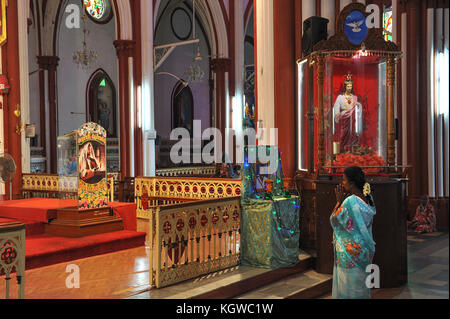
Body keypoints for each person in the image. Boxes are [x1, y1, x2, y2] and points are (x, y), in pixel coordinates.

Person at [330, 166, 376, 299]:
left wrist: (339, 202)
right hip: (364, 250)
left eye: (344, 180)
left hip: (349, 253)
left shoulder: (350, 201)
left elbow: (334, 219)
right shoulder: (368, 198)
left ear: (351, 183)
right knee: (361, 287)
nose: (342, 183)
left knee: (349, 289)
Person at [333, 73, 363, 153]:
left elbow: (358, 106)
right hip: (344, 119)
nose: (349, 88)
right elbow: (336, 106)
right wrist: (337, 114)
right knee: (343, 135)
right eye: (348, 86)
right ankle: (342, 150)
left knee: (352, 134)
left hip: (352, 119)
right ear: (345, 87)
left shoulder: (354, 97)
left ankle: (350, 151)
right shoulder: (340, 97)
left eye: (350, 86)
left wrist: (358, 105)